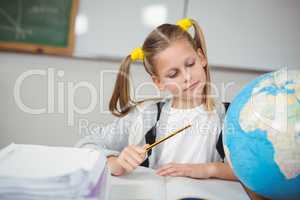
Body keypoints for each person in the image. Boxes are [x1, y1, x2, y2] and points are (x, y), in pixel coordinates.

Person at [76, 18, 237, 180]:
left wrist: (211, 169)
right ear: (158, 82)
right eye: (173, 74)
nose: (187, 76)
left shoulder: (232, 116)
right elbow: (84, 146)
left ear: (201, 57)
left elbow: (257, 173)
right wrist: (115, 162)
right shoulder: (145, 115)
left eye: (190, 64)